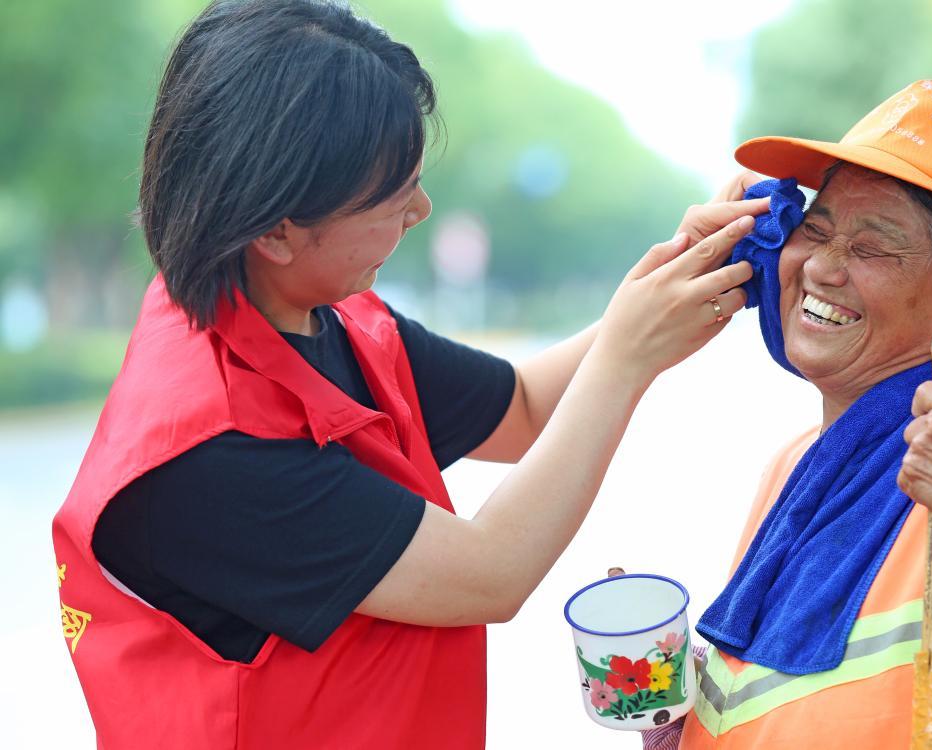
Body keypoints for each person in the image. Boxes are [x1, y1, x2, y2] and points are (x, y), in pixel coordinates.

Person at [50, 1, 766, 748]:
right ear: (273, 228)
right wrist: (627, 356)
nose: (421, 210)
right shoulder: (204, 451)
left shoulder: (326, 317)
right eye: (394, 198)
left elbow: (519, 410)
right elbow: (491, 573)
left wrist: (678, 273)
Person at [640, 81, 932, 749]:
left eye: (871, 249)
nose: (823, 268)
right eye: (815, 229)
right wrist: (669, 706)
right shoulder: (795, 463)